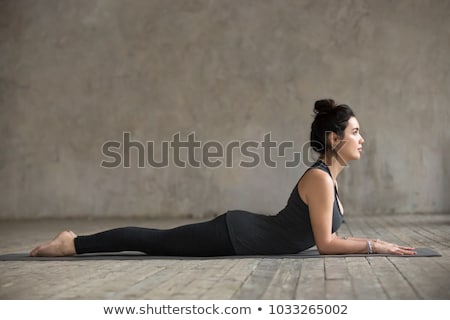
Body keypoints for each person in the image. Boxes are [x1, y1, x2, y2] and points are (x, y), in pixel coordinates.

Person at [30, 99, 416, 257]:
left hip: (243, 234)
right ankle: (73, 243)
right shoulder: (320, 180)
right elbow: (326, 243)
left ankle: (74, 242)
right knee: (154, 241)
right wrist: (375, 245)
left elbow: (323, 238)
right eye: (355, 132)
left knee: (156, 241)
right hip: (234, 234)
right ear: (334, 139)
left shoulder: (328, 180)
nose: (362, 140)